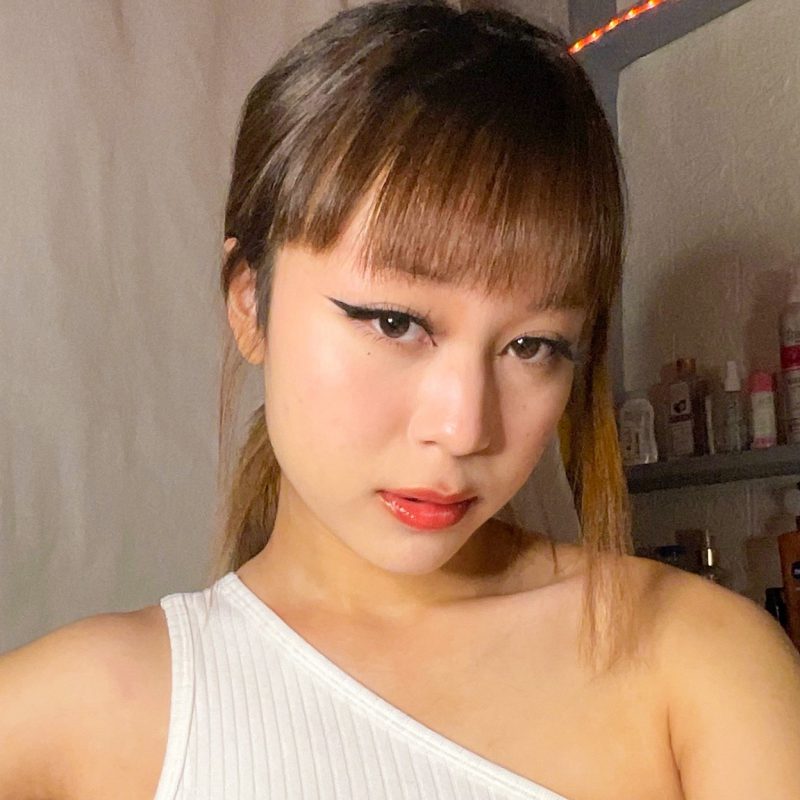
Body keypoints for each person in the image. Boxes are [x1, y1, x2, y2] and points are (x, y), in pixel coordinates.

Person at [2, 1, 800, 798]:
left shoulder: (698, 661)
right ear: (250, 302)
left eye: (532, 346)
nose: (463, 428)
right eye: (395, 323)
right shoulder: (80, 716)